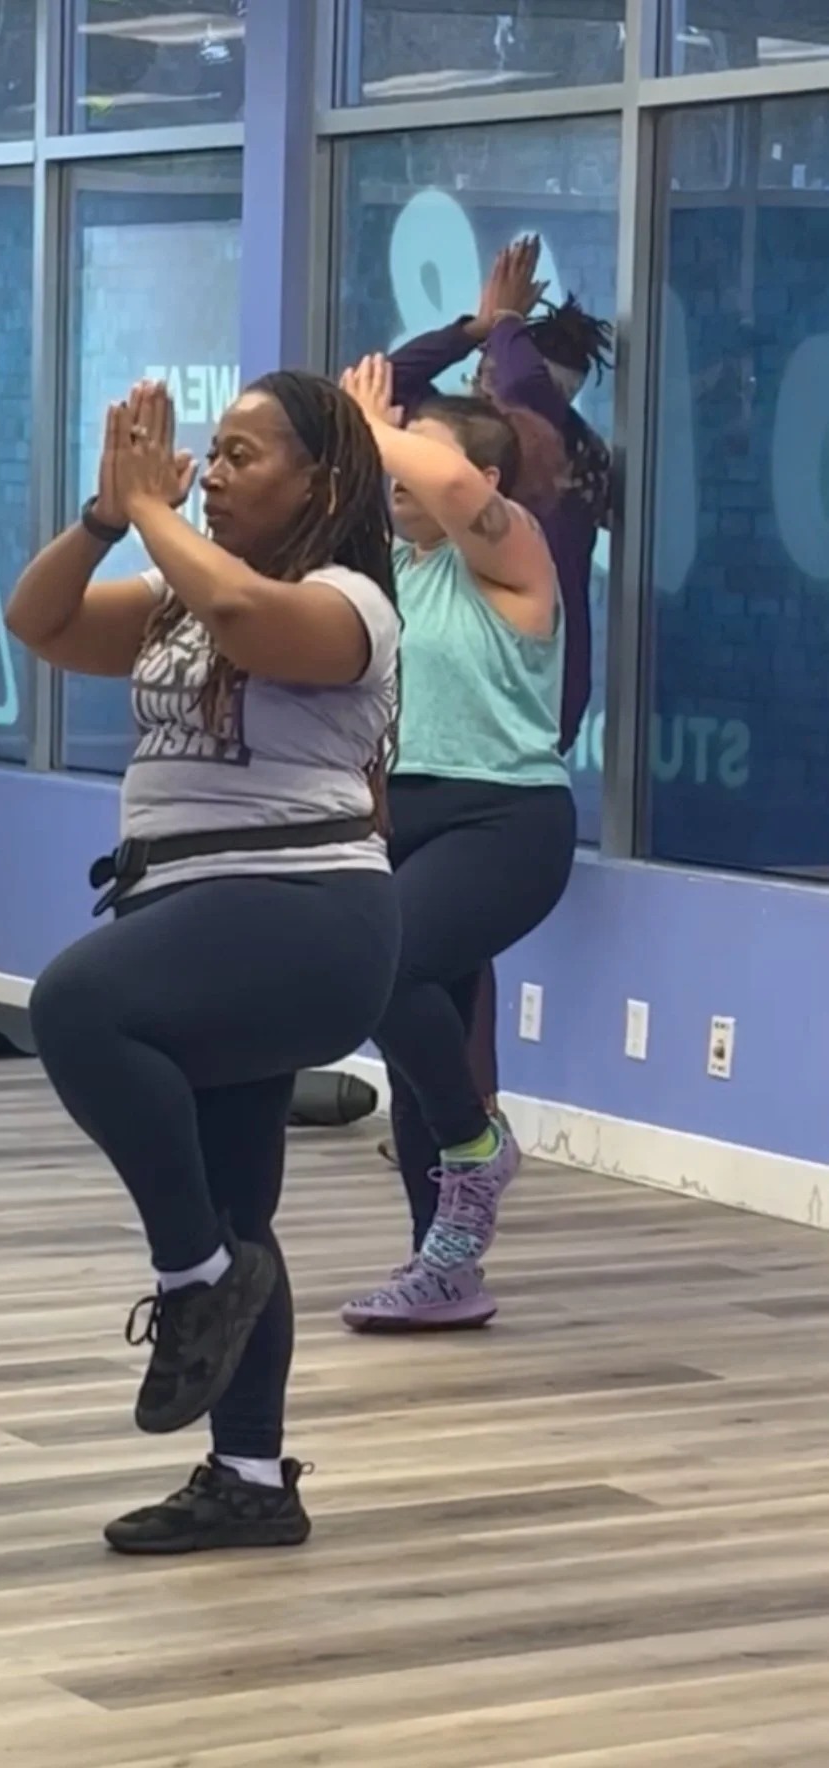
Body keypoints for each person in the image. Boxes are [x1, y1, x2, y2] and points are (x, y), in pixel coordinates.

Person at [6, 373, 401, 1554]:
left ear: (320, 485)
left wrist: (158, 514)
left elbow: (239, 612)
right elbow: (41, 622)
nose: (213, 473)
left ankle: (194, 1276)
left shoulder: (350, 601)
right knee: (240, 1211)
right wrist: (102, 518)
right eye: (208, 454)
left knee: (77, 1002)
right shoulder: (177, 598)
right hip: (200, 918)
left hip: (305, 917)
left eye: (241, 455)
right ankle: (249, 1478)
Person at [337, 354, 576, 1332]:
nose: (401, 477)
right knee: (410, 1026)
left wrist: (377, 431)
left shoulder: (515, 557)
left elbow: (442, 480)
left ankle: (477, 1148)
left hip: (506, 819)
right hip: (408, 819)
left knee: (380, 957)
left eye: (422, 462)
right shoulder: (390, 569)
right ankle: (444, 1264)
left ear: (487, 485)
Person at [383, 236, 612, 1130]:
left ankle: (469, 1115)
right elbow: (384, 398)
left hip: (522, 710)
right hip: (430, 762)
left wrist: (504, 330)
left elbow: (514, 398)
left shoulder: (553, 473)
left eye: (487, 383)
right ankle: (454, 1129)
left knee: (429, 949)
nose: (480, 391)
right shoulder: (410, 550)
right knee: (440, 957)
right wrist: (476, 325)